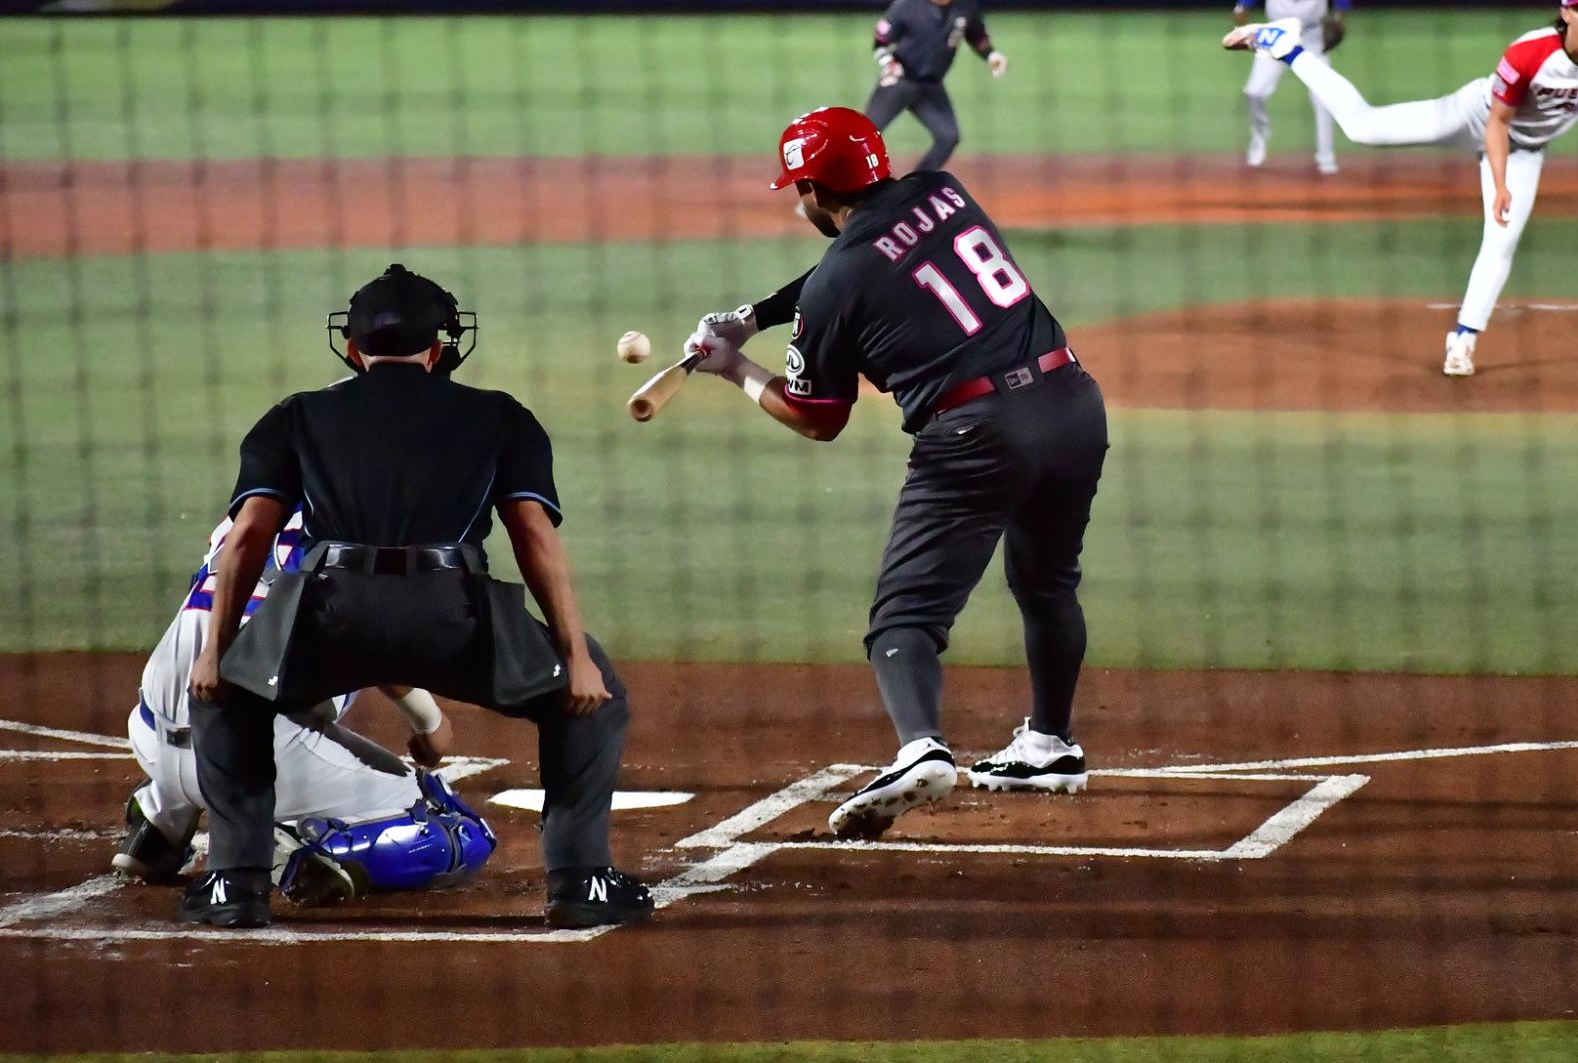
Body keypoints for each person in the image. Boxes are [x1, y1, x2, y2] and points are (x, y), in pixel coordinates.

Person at [681, 107, 1107, 841]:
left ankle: (920, 747)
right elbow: (860, 258)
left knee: (903, 620)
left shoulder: (836, 285)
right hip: (1071, 404)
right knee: (1046, 583)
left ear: (813, 186)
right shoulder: (942, 190)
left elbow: (820, 417)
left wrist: (735, 369)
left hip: (976, 438)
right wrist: (753, 315)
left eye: (797, 188)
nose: (796, 200)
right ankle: (1050, 743)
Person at [183, 264, 651, 929]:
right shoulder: (499, 415)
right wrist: (573, 655)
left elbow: (249, 536)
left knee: (229, 696)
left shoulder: (296, 415)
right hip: (450, 617)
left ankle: (236, 884)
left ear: (352, 348)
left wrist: (216, 654)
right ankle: (580, 882)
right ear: (439, 349)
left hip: (329, 614)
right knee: (596, 699)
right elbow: (533, 538)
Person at [1227, 0, 1578, 376]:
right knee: (1362, 128)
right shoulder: (1528, 53)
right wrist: (1499, 187)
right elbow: (1498, 123)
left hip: (1526, 152)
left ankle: (1462, 342)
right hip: (1472, 117)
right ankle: (1286, 46)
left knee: (1502, 241)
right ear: (1564, 12)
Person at [115, 509, 496, 906]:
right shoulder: (372, 529)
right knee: (450, 832)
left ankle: (160, 822)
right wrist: (429, 722)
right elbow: (375, 646)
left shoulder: (257, 509)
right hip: (247, 763)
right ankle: (286, 846)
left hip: (149, 733)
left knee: (266, 667)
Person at [865, 0, 1007, 173]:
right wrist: (888, 63)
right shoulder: (906, 6)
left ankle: (915, 186)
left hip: (932, 88)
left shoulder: (966, 8)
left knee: (948, 137)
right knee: (862, 138)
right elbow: (880, 44)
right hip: (897, 84)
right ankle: (831, 193)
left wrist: (991, 55)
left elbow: (978, 38)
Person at [1232, 0, 1351, 174]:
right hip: (1276, 36)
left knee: (1323, 98)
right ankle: (1261, 136)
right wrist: (1242, 6)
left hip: (1311, 39)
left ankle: (1326, 157)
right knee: (1254, 92)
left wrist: (1339, 18)